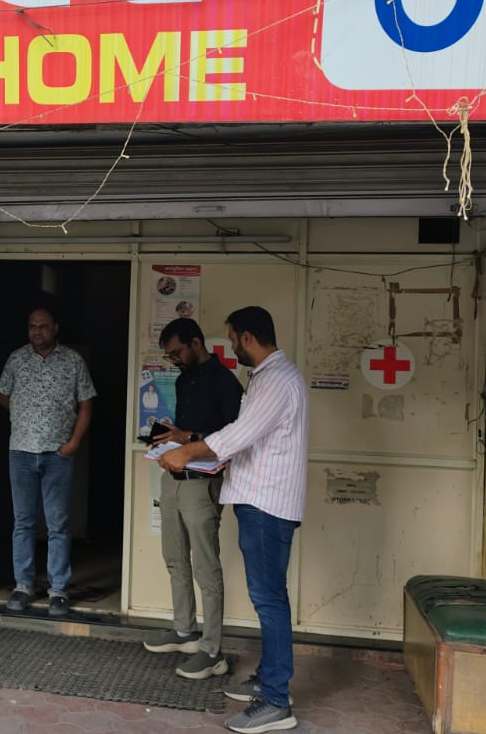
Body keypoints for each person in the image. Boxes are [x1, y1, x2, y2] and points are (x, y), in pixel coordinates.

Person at [159, 306, 307, 733]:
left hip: (267, 505)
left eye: (232, 338)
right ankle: (268, 680)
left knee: (269, 600)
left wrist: (186, 452)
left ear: (247, 337)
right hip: (259, 501)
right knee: (269, 597)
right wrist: (188, 441)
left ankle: (276, 702)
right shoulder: (267, 377)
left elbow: (238, 435)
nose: (230, 346)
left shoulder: (277, 380)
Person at [147, 318, 244, 680]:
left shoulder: (225, 381)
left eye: (177, 352)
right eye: (169, 356)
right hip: (173, 477)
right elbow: (185, 431)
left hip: (203, 482)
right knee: (174, 557)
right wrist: (169, 438)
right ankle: (184, 630)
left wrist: (186, 436)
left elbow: (234, 435)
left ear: (196, 343)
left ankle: (212, 650)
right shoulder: (184, 379)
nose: (173, 360)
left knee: (206, 566)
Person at [0, 307, 95, 618]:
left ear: (56, 327)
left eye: (43, 326)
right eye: (32, 326)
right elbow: (3, 395)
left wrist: (74, 443)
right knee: (23, 522)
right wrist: (27, 415)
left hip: (57, 454)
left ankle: (58, 590)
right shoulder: (16, 359)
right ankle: (23, 585)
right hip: (21, 452)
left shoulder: (73, 361)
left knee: (58, 524)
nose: (37, 331)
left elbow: (86, 404)